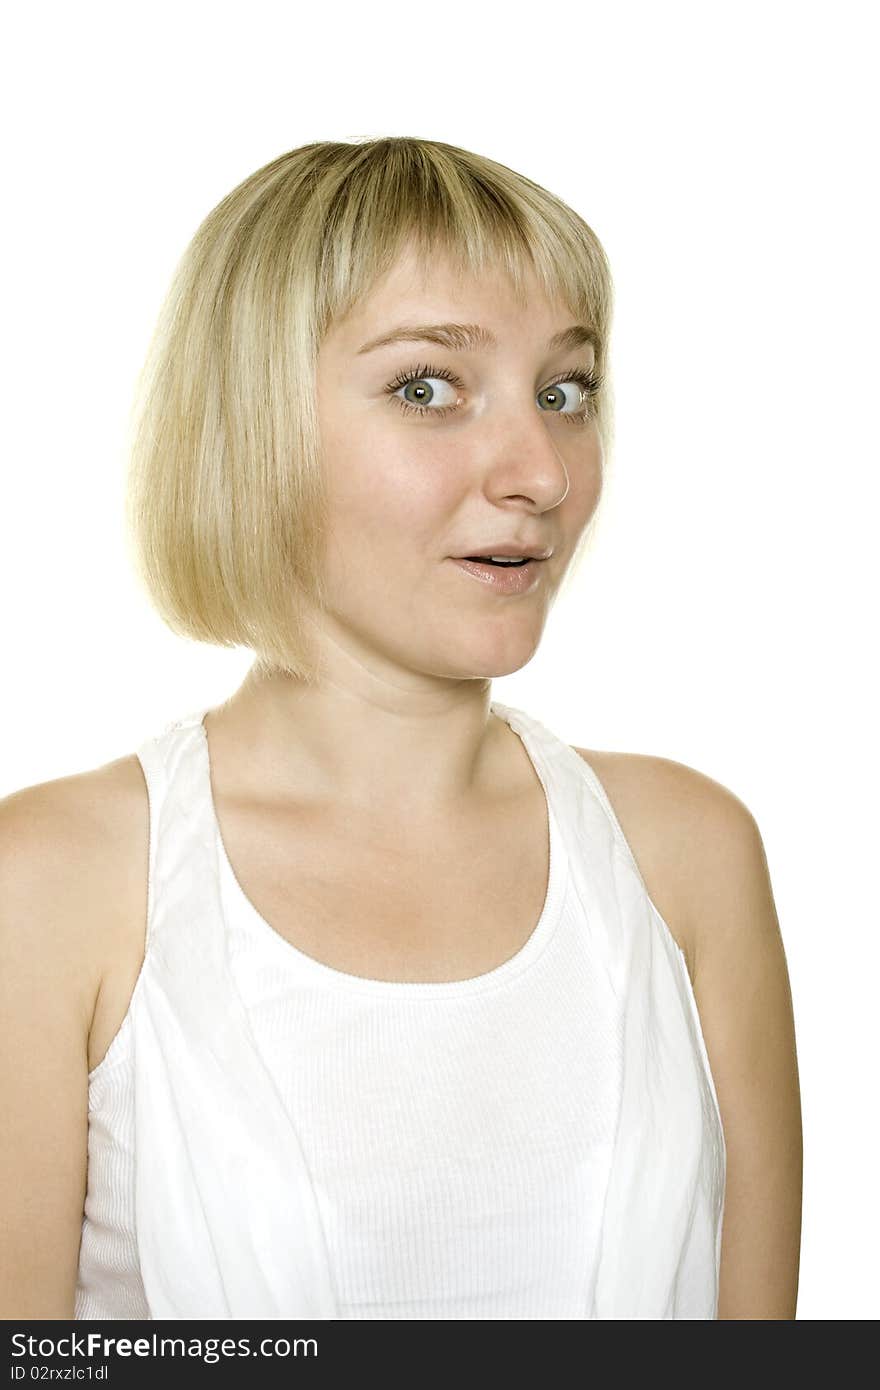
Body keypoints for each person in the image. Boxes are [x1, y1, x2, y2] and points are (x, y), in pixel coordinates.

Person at [0, 136, 802, 1321]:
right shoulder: (55, 884)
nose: (539, 471)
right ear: (251, 422)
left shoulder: (687, 856)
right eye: (426, 388)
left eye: (563, 389)